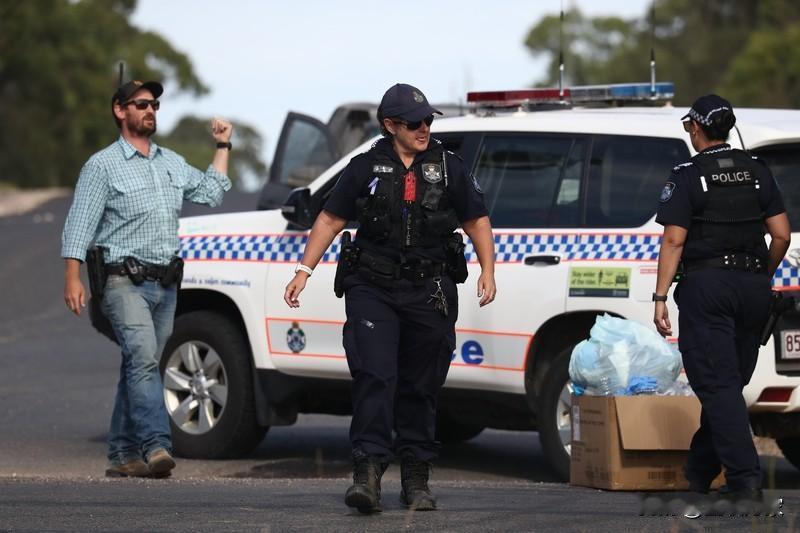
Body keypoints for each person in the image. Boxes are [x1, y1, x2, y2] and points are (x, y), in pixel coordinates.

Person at [284, 83, 496, 513]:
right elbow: (330, 219)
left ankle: (416, 478)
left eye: (427, 120)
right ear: (390, 125)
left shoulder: (449, 167)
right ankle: (367, 473)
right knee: (374, 376)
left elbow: (477, 221)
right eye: (414, 122)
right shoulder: (364, 167)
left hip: (430, 289)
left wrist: (488, 271)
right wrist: (303, 271)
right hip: (372, 287)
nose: (424, 128)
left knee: (421, 386)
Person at [62, 79, 234, 478]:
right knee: (142, 359)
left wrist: (223, 145)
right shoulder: (102, 165)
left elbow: (211, 192)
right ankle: (157, 445)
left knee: (141, 363)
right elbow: (79, 224)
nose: (150, 110)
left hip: (165, 284)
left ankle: (122, 454)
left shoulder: (170, 161)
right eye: (141, 104)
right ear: (120, 110)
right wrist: (72, 277)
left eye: (154, 104)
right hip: (122, 281)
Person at [653, 94, 791, 500]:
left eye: (688, 126)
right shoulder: (758, 170)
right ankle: (698, 472)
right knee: (727, 385)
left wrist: (660, 297)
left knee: (717, 386)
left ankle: (745, 480)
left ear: (696, 128)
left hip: (708, 287)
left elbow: (673, 241)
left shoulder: (687, 174)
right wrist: (762, 275)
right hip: (753, 287)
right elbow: (781, 235)